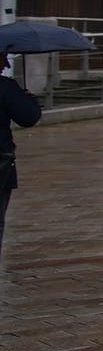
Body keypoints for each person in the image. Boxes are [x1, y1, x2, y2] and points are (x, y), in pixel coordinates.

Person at [0, 55, 45, 258]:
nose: (6, 65)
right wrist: (29, 98)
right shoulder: (5, 87)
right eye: (2, 59)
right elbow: (28, 117)